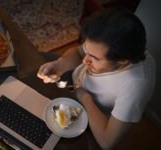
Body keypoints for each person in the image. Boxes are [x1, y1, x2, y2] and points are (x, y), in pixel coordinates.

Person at [37, 8, 156, 150]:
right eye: (88, 50)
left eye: (94, 58)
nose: (85, 60)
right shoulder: (109, 43)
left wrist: (85, 98)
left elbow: (107, 142)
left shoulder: (136, 86)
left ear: (123, 61)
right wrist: (60, 65)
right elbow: (80, 52)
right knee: (35, 61)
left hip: (90, 114)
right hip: (75, 83)